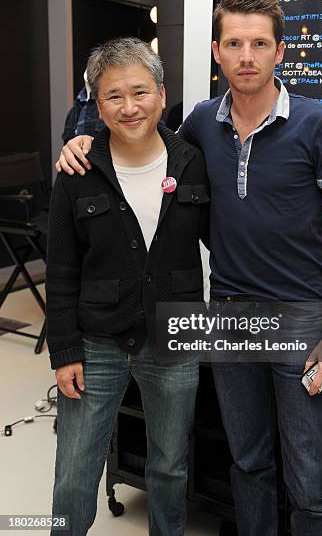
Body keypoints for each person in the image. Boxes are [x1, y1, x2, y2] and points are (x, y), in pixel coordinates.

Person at [56, 0, 322, 535]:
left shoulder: (319, 123)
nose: (247, 56)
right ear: (217, 52)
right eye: (235, 43)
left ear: (279, 51)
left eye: (260, 44)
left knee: (312, 482)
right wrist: (80, 141)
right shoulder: (199, 124)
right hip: (226, 317)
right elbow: (137, 137)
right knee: (247, 465)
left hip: (301, 319)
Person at [47, 37, 209, 536]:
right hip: (96, 343)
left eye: (139, 92)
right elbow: (60, 269)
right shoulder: (78, 170)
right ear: (97, 106)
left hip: (174, 341)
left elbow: (228, 236)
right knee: (74, 474)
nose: (129, 106)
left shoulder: (194, 161)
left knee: (168, 467)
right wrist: (64, 350)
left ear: (161, 95)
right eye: (113, 96)